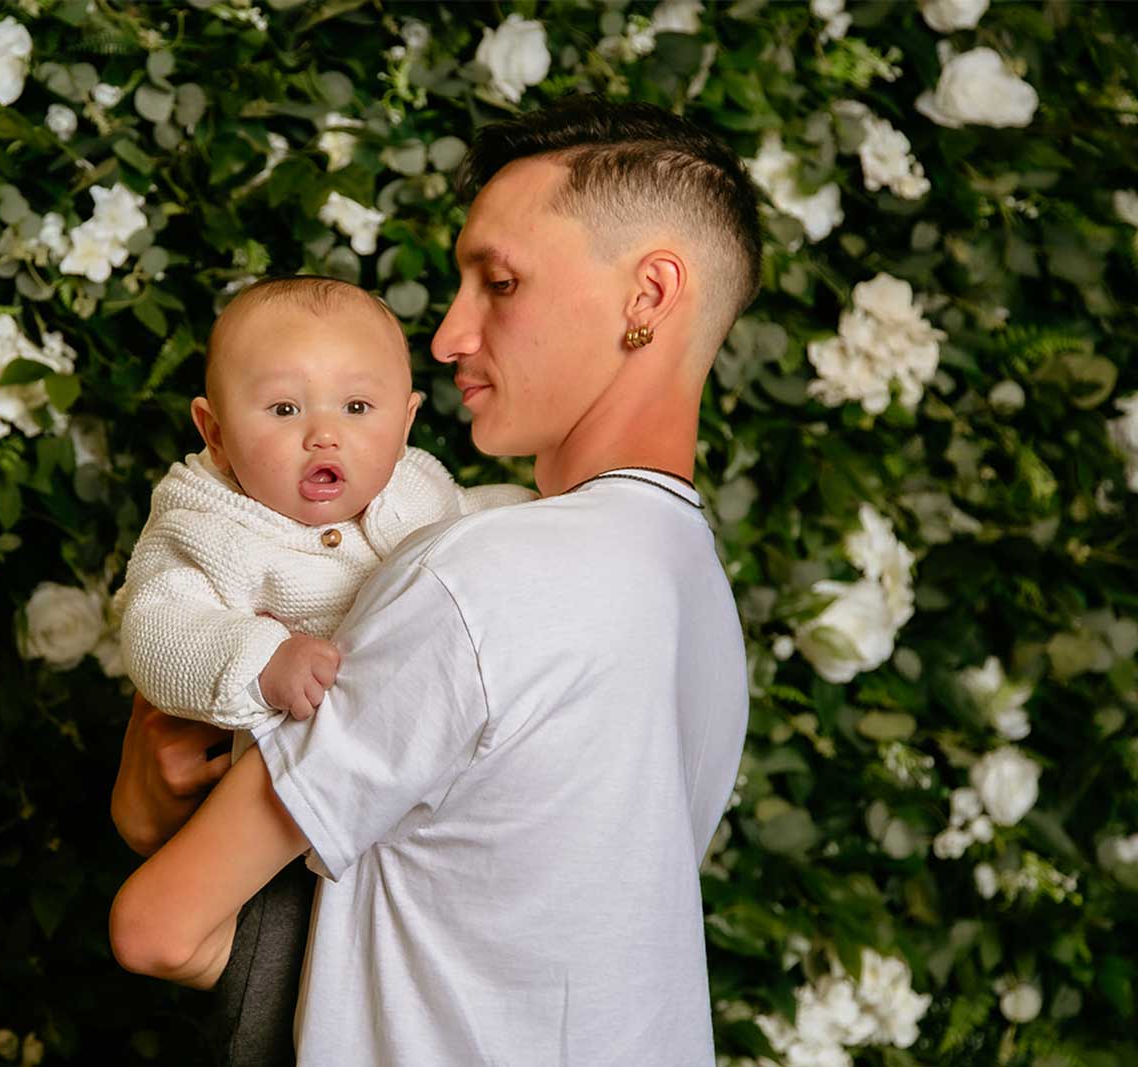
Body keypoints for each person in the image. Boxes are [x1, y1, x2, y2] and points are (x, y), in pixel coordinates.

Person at [109, 94, 761, 1065]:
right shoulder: (696, 593)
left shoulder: (483, 575)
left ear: (648, 296)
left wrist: (143, 804)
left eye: (499, 282)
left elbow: (159, 927)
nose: (450, 334)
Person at [114, 275, 532, 1064]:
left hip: (397, 819)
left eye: (358, 407)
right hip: (274, 822)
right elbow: (159, 627)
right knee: (276, 988)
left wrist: (541, 513)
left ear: (406, 422)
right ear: (214, 431)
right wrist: (260, 658)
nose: (323, 436)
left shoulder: (415, 488)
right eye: (283, 409)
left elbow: (471, 529)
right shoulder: (207, 519)